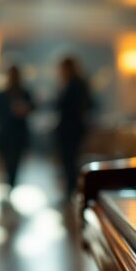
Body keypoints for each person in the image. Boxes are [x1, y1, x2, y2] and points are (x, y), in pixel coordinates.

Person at [54, 56, 93, 199]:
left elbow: (71, 107)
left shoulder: (75, 85)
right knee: (68, 161)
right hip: (71, 129)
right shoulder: (73, 84)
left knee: (70, 161)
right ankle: (71, 192)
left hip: (71, 130)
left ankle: (72, 192)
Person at [0, 64, 35, 190]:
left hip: (19, 133)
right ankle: (9, 183)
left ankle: (12, 183)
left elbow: (32, 107)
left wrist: (24, 110)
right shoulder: (2, 94)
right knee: (7, 162)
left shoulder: (25, 92)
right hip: (6, 133)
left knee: (16, 161)